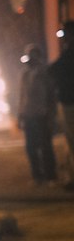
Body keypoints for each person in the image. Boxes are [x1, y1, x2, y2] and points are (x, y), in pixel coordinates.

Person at [17, 45, 57, 184]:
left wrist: (51, 113)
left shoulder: (45, 72)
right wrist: (20, 115)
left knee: (45, 146)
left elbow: (51, 94)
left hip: (41, 114)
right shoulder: (24, 74)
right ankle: (37, 176)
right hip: (28, 115)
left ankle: (50, 175)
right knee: (31, 147)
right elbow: (22, 96)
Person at [48, 21, 74, 180]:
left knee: (71, 139)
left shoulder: (70, 52)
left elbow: (55, 69)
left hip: (69, 101)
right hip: (68, 100)